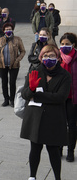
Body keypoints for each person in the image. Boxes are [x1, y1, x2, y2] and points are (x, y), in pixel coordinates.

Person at [20, 44, 71, 180]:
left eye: (52, 55)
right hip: (36, 117)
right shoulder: (35, 71)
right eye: (46, 56)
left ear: (58, 58)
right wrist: (31, 89)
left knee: (53, 150)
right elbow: (25, 94)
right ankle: (32, 176)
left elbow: (60, 97)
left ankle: (57, 177)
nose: (48, 58)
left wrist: (36, 95)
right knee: (35, 149)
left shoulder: (65, 75)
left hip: (54, 118)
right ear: (41, 58)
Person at [0, 23, 26, 106]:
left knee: (12, 83)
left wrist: (18, 59)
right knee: (4, 82)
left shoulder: (17, 39)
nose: (8, 31)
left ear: (12, 30)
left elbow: (23, 51)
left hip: (14, 65)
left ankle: (12, 99)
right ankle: (6, 99)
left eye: (10, 29)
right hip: (2, 65)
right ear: (4, 31)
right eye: (6, 29)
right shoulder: (0, 40)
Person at [59, 33, 77, 162]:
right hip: (59, 97)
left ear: (74, 45)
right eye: (62, 44)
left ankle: (70, 151)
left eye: (67, 44)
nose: (64, 46)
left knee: (72, 125)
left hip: (73, 97)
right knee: (59, 124)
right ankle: (58, 148)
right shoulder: (57, 57)